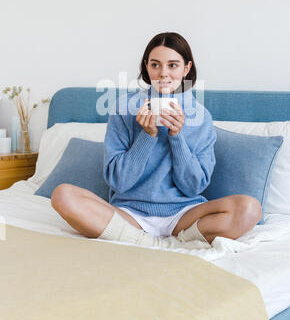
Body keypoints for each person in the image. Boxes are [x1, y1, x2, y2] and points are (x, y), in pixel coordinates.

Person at [51, 32, 262, 249]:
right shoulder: (124, 109)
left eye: (172, 65)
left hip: (183, 215)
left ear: (186, 68)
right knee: (62, 195)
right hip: (130, 214)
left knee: (250, 208)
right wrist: (147, 135)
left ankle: (173, 238)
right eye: (155, 65)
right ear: (146, 67)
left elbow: (193, 187)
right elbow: (118, 183)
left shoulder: (200, 117)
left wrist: (177, 137)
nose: (163, 74)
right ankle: (149, 241)